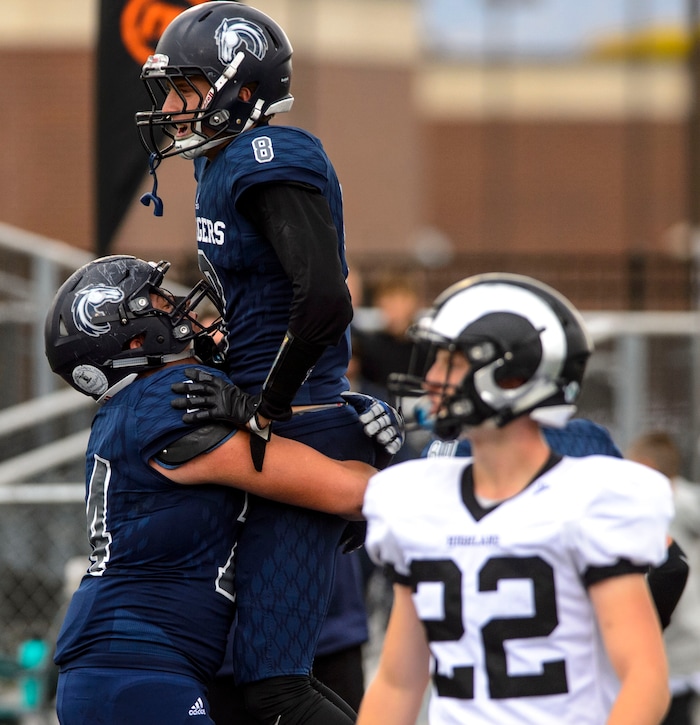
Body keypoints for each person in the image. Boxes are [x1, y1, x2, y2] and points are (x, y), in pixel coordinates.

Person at [135, 5, 403, 722]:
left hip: (297, 428)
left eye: (184, 88)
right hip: (260, 427)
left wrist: (266, 404)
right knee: (230, 671)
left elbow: (322, 301)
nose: (168, 107)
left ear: (238, 84)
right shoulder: (220, 164)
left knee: (274, 680)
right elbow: (267, 299)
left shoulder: (268, 155)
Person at [43, 255, 378, 725]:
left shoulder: (139, 405)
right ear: (136, 338)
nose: (183, 309)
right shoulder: (167, 401)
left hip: (128, 663)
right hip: (137, 667)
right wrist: (369, 444)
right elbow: (349, 492)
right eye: (159, 302)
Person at [357, 272, 674, 725]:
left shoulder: (589, 499)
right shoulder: (416, 500)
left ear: (512, 376)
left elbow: (644, 678)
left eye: (451, 363)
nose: (430, 379)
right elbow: (398, 682)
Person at [627, 431, 700, 725]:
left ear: (644, 466)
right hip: (689, 646)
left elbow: (671, 572)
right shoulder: (688, 499)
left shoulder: (654, 509)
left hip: (668, 649)